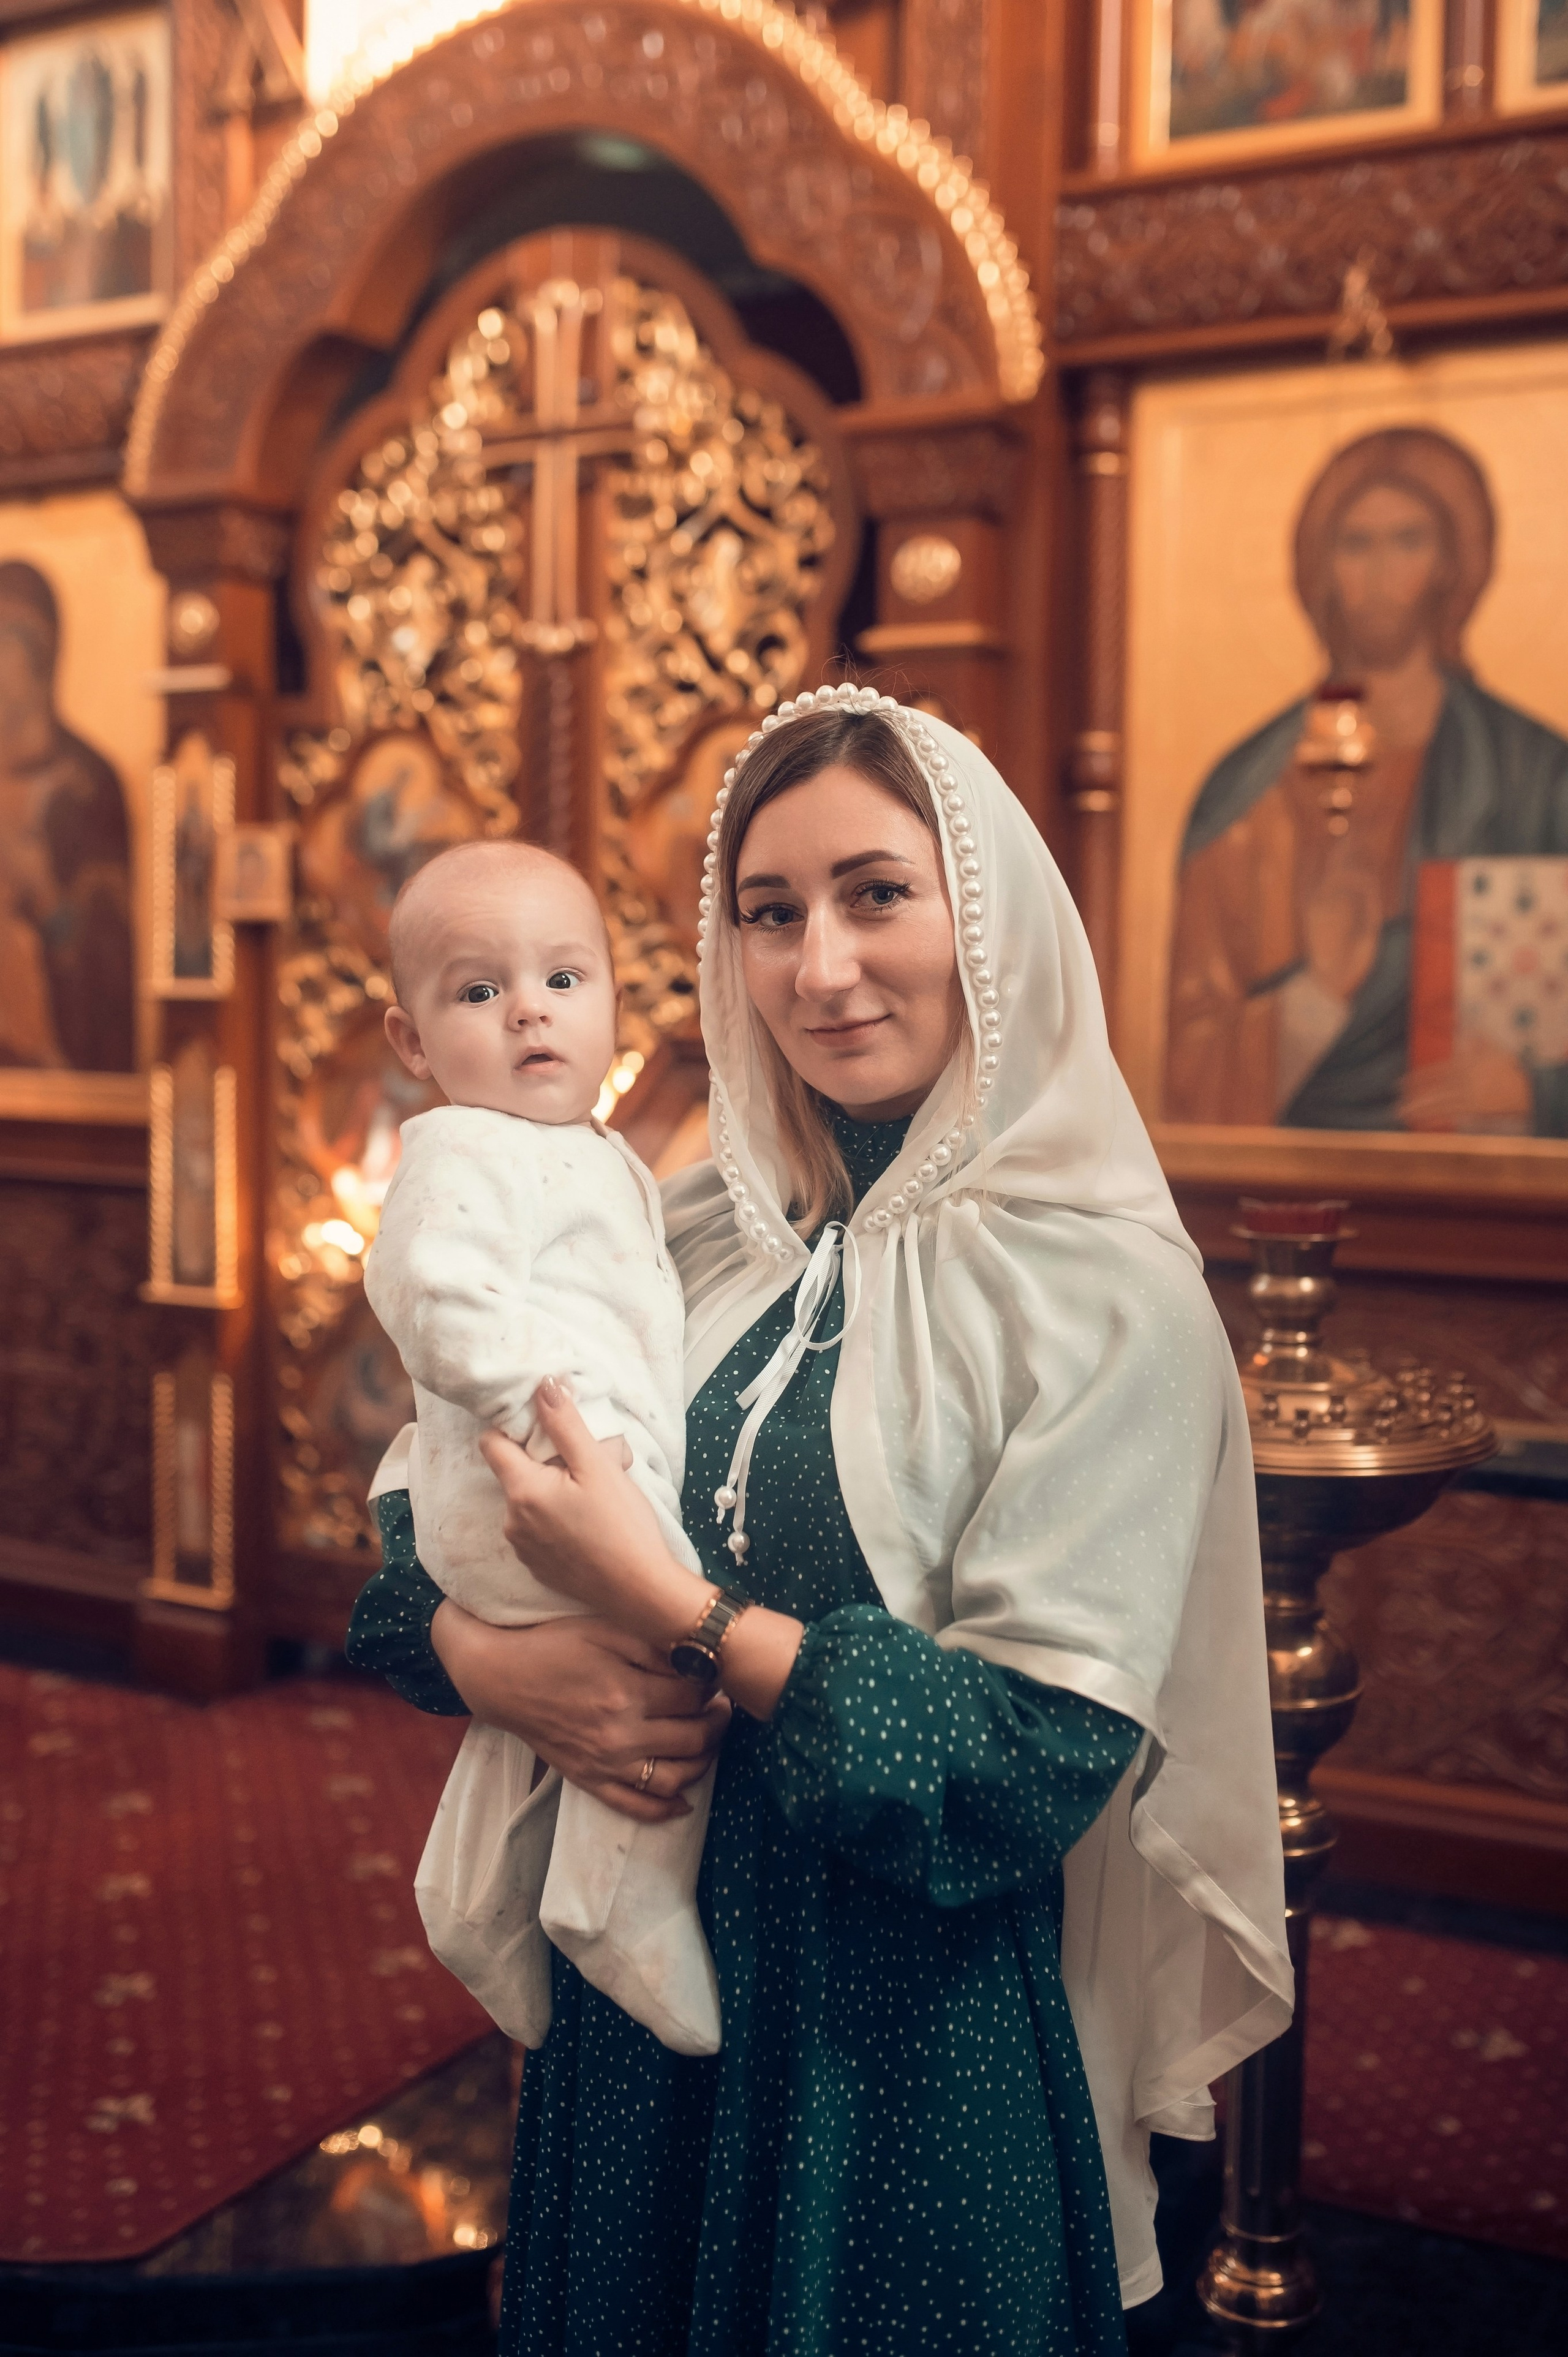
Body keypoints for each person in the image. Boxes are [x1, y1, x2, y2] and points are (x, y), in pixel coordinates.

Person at [347, 684, 1291, 2356]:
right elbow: (420, 1536)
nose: (819, 966)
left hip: (899, 2039)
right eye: (768, 916)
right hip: (640, 2021)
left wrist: (685, 1613)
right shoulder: (693, 1229)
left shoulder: (1104, 1300)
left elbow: (1030, 1757)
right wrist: (490, 1664)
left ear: (981, 915)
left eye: (875, 894)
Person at [362, 840, 720, 2057]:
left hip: (563, 1476)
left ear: (614, 998)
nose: (528, 1008)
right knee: (672, 1647)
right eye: (477, 991)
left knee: (535, 1717)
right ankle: (618, 1897)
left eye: (564, 978)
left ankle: (468, 1896)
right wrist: (545, 1420)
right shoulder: (459, 1148)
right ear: (412, 1043)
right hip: (547, 1482)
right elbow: (426, 1287)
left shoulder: (604, 1154)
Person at [1165, 426, 1568, 1134]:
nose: (1380, 572)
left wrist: (1536, 1092)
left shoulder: (1535, 773)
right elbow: (1191, 1069)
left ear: (1452, 562)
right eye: (1356, 544)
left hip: (1498, 1202)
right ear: (1321, 566)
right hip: (1287, 1183)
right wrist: (1314, 994)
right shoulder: (1244, 792)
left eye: (1409, 541)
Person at [0, 559, 134, 1071]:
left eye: (6, 641)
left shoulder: (87, 786)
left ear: (39, 655)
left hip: (57, 1058)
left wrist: (43, 895)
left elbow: (107, 955)